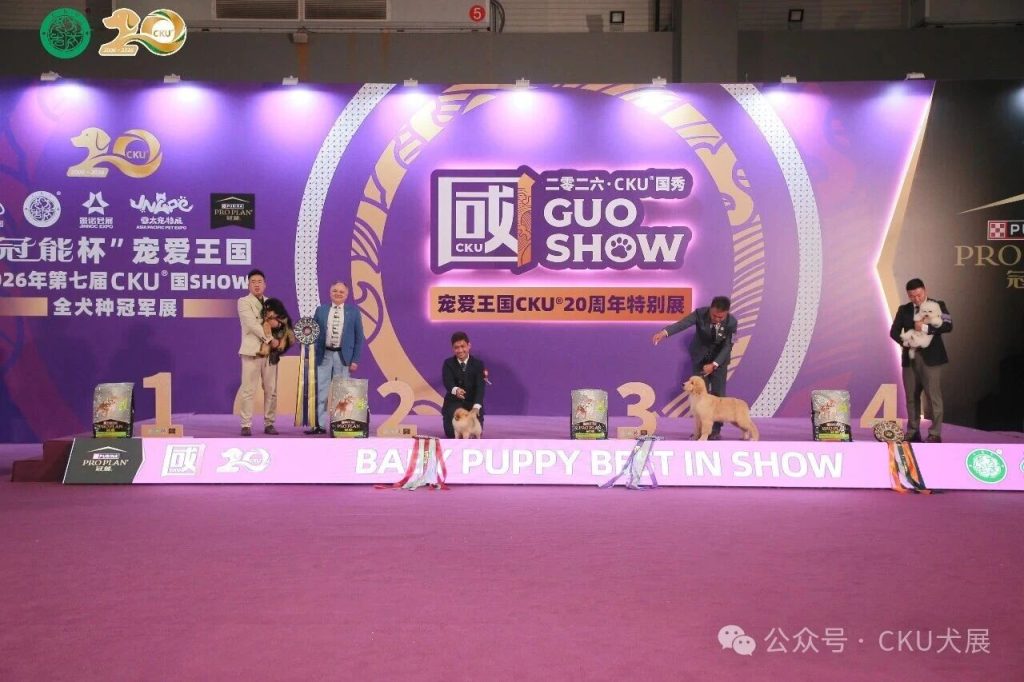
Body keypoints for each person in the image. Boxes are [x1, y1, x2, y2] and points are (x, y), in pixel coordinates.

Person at [652, 295, 737, 440]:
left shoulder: (732, 322)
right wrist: (665, 332)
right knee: (698, 396)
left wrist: (715, 364)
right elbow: (683, 324)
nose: (717, 319)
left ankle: (715, 430)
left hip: (719, 362)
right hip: (700, 359)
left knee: (718, 395)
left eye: (720, 317)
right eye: (714, 316)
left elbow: (728, 345)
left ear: (726, 313)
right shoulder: (700, 313)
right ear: (710, 309)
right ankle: (699, 430)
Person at [889, 278, 953, 443]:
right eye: (912, 296)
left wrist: (925, 327)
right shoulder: (903, 309)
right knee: (911, 396)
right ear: (908, 295)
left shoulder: (938, 305)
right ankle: (913, 431)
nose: (916, 299)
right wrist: (905, 342)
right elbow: (894, 331)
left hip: (931, 358)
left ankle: (935, 433)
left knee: (933, 397)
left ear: (925, 290)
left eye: (919, 295)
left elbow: (948, 325)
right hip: (910, 358)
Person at [305, 282, 365, 435]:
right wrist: (309, 352)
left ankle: (341, 424)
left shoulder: (353, 312)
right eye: (335, 291)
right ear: (330, 292)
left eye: (341, 292)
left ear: (347, 294)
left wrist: (355, 360)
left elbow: (359, 338)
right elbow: (312, 333)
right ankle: (318, 425)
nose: (338, 293)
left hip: (343, 357)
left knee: (343, 391)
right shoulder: (321, 310)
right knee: (321, 390)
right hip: (324, 355)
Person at [236, 268, 279, 436]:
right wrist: (269, 338)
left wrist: (278, 339)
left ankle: (270, 423)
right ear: (248, 285)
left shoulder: (271, 303)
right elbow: (252, 325)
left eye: (259, 282)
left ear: (265, 284)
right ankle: (246, 424)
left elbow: (278, 324)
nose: (256, 285)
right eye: (253, 282)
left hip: (270, 353)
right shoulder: (243, 302)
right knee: (248, 390)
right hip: (251, 351)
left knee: (271, 390)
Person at [441, 331, 486, 438]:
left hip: (472, 403)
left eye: (463, 346)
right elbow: (447, 382)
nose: (460, 350)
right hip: (453, 403)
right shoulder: (448, 363)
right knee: (451, 434)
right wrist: (455, 390)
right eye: (456, 347)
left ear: (469, 345)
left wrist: (476, 407)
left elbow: (480, 387)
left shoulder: (478, 364)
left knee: (475, 434)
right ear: (453, 348)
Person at [259, 297, 296, 366]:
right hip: (272, 337)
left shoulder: (284, 318)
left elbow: (288, 330)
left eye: (270, 310)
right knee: (266, 342)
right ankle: (264, 351)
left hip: (282, 336)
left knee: (284, 338)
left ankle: (278, 349)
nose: (267, 312)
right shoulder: (266, 318)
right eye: (266, 310)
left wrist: (287, 340)